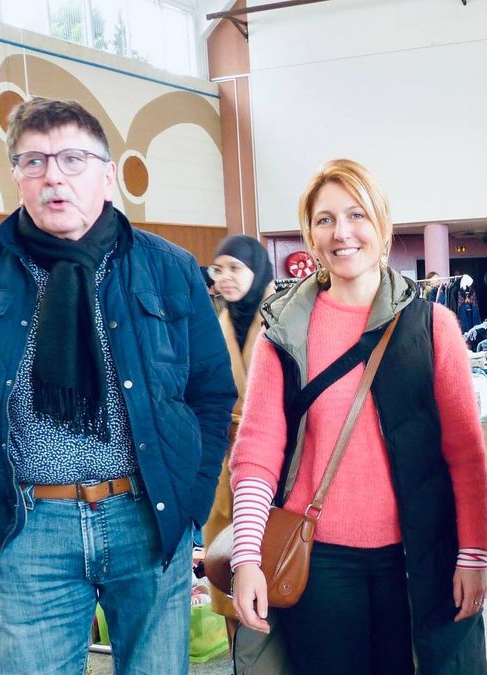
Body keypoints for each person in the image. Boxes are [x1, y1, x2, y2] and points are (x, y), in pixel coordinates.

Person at [0, 97, 236, 673]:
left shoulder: (168, 267)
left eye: (72, 159)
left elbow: (211, 393)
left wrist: (190, 500)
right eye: (33, 161)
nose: (53, 176)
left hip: (148, 516)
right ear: (16, 177)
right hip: (28, 525)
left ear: (108, 175)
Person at [229, 158, 487, 675]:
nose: (341, 232)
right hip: (318, 560)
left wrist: (475, 552)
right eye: (325, 219)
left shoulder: (433, 325)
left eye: (357, 215)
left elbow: (464, 452)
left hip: (417, 555)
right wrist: (247, 558)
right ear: (310, 234)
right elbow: (257, 454)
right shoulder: (283, 331)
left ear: (383, 226)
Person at [201, 234, 279, 658]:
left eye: (235, 268)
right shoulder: (217, 319)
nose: (225, 277)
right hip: (222, 452)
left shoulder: (283, 314)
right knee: (223, 553)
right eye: (219, 268)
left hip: (274, 453)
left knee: (275, 550)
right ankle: (240, 655)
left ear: (257, 270)